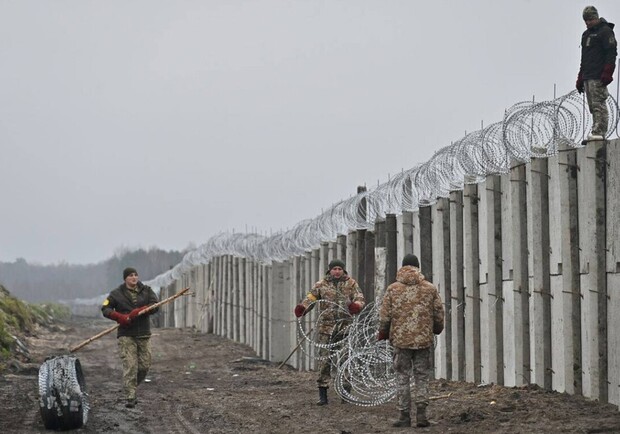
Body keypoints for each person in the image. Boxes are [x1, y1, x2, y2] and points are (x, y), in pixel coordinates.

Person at [377, 254, 444, 428]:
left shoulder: (393, 289)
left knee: (402, 376)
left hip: (400, 341)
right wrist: (436, 328)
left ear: (403, 267)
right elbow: (438, 312)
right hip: (423, 340)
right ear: (417, 267)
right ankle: (421, 415)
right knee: (422, 376)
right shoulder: (429, 288)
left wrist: (383, 332)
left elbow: (385, 315)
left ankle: (404, 415)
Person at [294, 259, 365, 405]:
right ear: (330, 270)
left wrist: (355, 306)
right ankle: (323, 394)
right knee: (324, 361)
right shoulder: (321, 285)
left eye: (340, 268)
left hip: (345, 328)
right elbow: (311, 299)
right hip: (326, 329)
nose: (337, 271)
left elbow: (359, 298)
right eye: (334, 269)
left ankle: (345, 393)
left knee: (345, 360)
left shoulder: (351, 284)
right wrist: (303, 308)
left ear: (343, 270)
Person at [101, 267, 159, 408]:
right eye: (131, 275)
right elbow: (105, 309)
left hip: (143, 333)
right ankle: (130, 396)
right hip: (126, 334)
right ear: (125, 278)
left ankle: (131, 385)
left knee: (144, 366)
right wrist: (119, 317)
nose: (134, 278)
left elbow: (155, 305)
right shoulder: (116, 294)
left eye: (136, 275)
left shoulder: (146, 290)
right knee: (130, 365)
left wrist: (140, 311)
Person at [575, 5, 617, 141]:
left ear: (596, 17)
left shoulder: (605, 31)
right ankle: (595, 129)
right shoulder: (586, 35)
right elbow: (585, 58)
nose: (587, 23)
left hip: (598, 75)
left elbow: (611, 53)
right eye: (585, 20)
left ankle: (599, 131)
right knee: (593, 106)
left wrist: (608, 72)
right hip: (588, 74)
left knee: (599, 104)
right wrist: (580, 76)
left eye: (590, 19)